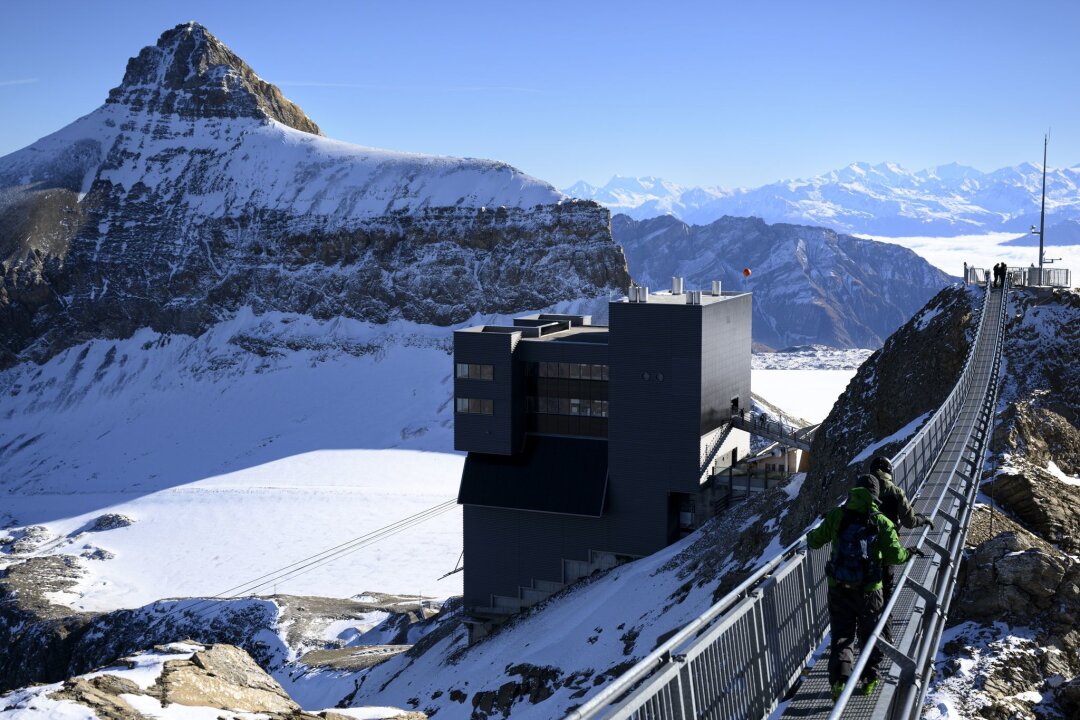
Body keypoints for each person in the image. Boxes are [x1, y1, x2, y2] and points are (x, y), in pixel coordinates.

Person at [808, 474, 915, 701]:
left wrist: (811, 534)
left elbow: (816, 541)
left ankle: (840, 681)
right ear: (876, 496)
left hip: (839, 587)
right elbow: (895, 556)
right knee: (869, 634)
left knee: (842, 634)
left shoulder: (837, 515)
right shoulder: (881, 521)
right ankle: (869, 679)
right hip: (870, 589)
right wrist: (908, 553)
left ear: (854, 492)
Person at [867, 456, 933, 600]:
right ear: (889, 471)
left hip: (863, 550)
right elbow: (909, 522)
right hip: (887, 548)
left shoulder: (860, 493)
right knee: (886, 592)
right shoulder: (896, 492)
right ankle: (884, 619)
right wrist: (922, 519)